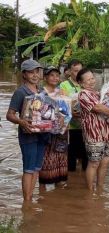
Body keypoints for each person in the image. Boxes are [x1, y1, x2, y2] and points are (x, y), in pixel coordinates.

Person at [6, 59, 50, 201]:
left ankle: (30, 198)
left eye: (37, 71)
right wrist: (21, 122)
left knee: (36, 168)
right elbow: (9, 115)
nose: (35, 75)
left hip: (42, 134)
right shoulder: (20, 92)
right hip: (28, 135)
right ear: (24, 74)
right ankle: (27, 202)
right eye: (31, 72)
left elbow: (49, 111)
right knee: (28, 169)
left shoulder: (42, 91)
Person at [77, 68, 109, 190]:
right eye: (88, 80)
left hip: (106, 133)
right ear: (81, 83)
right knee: (94, 163)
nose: (92, 81)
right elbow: (97, 108)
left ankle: (100, 189)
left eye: (92, 78)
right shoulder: (83, 94)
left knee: (105, 163)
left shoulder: (98, 93)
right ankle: (90, 191)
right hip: (93, 135)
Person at [39, 66, 69, 189]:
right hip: (47, 131)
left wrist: (64, 121)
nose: (55, 78)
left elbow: (68, 112)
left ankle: (59, 186)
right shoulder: (41, 93)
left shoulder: (62, 93)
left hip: (62, 131)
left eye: (57, 75)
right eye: (51, 75)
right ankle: (42, 189)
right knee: (46, 158)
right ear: (45, 77)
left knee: (60, 157)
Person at [59, 59, 87, 171]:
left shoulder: (85, 84)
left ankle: (83, 185)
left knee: (85, 157)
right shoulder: (64, 85)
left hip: (85, 127)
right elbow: (61, 104)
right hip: (70, 127)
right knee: (71, 158)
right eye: (75, 71)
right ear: (69, 71)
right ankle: (71, 185)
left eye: (80, 71)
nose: (78, 73)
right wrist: (71, 111)